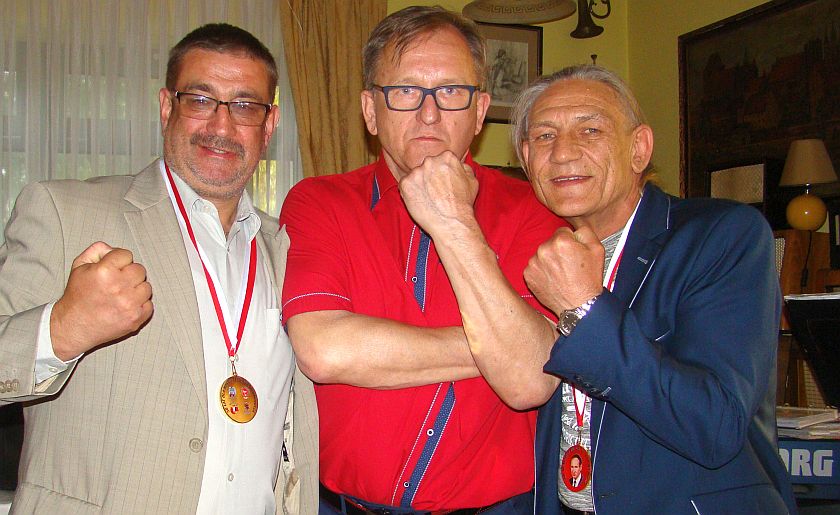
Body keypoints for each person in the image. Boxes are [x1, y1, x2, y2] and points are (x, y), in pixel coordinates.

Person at [0, 23, 317, 514]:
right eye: (201, 100)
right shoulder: (63, 211)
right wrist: (60, 329)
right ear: (167, 107)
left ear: (269, 124)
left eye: (244, 105)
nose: (222, 126)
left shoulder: (289, 247)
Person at [469, 64, 798, 514]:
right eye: (544, 136)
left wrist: (583, 307)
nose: (562, 153)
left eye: (590, 130)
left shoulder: (721, 236)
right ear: (526, 158)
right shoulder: (529, 255)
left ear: (639, 148)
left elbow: (715, 426)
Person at [279, 6, 564, 514]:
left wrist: (456, 223)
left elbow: (528, 382)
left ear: (480, 111)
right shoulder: (320, 202)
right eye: (405, 91)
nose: (429, 113)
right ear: (371, 110)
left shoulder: (532, 210)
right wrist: (502, 346)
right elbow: (323, 350)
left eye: (451, 91)